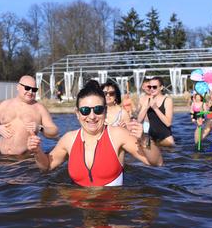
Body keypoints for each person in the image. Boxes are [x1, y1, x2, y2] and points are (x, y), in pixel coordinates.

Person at [27, 80, 162, 187]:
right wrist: (37, 151)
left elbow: (157, 162)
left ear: (105, 111)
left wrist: (145, 139)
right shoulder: (69, 139)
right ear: (77, 113)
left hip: (112, 210)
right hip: (79, 211)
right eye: (85, 110)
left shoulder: (118, 135)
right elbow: (46, 166)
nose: (92, 116)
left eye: (98, 109)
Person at [0, 75, 59, 155]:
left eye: (34, 89)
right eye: (27, 88)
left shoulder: (39, 108)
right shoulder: (4, 105)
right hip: (2, 160)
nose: (30, 92)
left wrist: (40, 128)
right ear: (18, 87)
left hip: (25, 161)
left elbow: (54, 131)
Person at [138, 77, 175, 147]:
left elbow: (168, 123)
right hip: (152, 139)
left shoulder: (167, 100)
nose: (151, 89)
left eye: (154, 87)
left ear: (161, 87)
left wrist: (155, 108)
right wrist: (146, 107)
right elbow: (139, 120)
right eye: (149, 87)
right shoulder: (147, 100)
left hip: (165, 140)